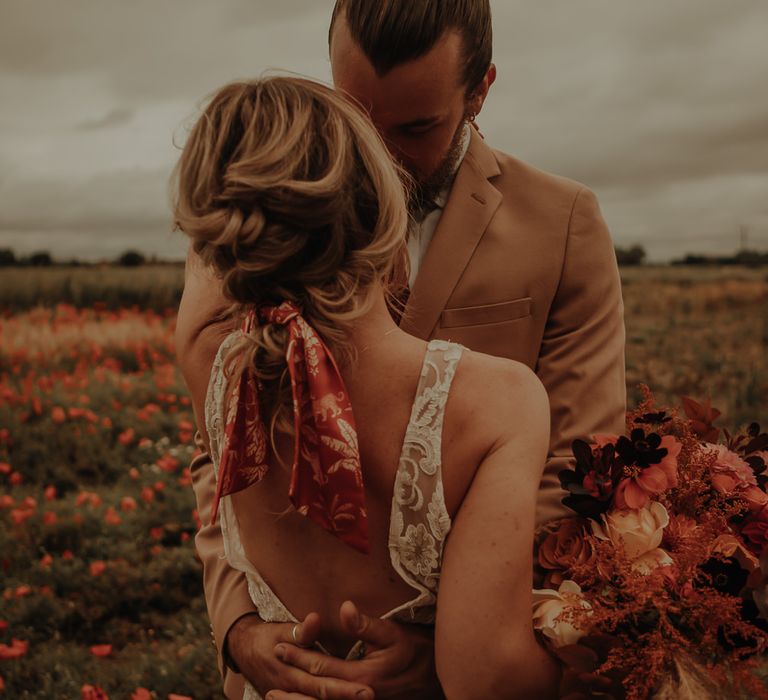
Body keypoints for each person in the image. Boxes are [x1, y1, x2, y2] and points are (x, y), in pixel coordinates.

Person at [177, 1, 626, 697]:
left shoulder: (564, 223)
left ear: (479, 91)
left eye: (416, 126)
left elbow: (578, 463)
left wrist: (450, 638)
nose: (378, 155)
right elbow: (220, 445)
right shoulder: (254, 229)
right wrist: (238, 626)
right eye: (356, 113)